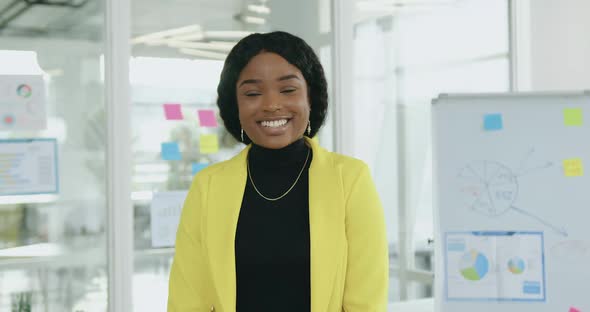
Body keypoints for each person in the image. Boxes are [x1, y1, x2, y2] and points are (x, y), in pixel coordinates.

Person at [168, 31, 388, 312]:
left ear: (311, 97)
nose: (271, 104)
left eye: (287, 90)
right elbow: (187, 301)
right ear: (235, 106)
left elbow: (366, 303)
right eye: (253, 93)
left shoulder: (350, 180)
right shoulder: (208, 187)